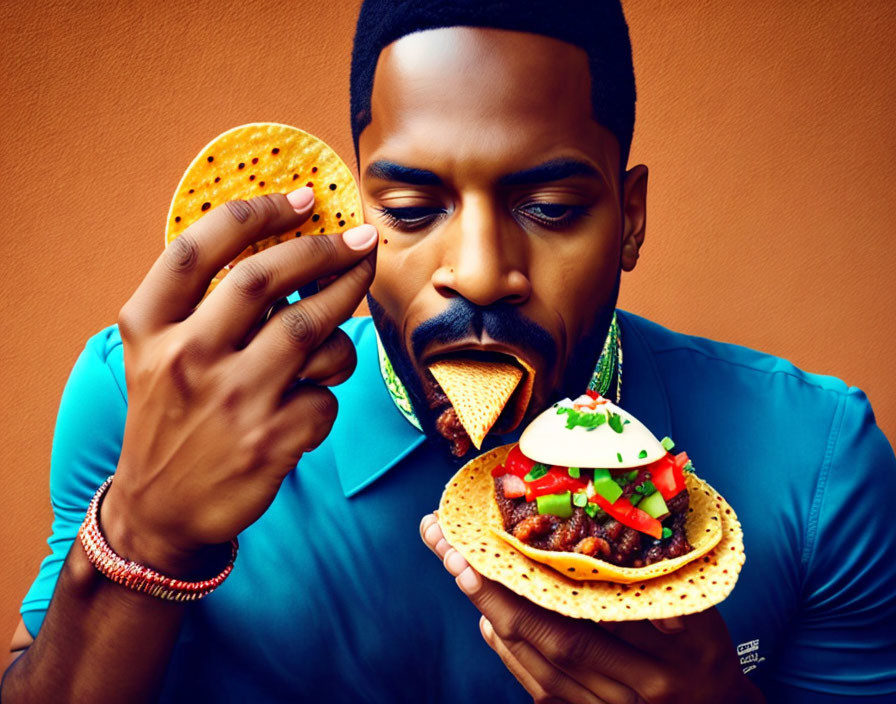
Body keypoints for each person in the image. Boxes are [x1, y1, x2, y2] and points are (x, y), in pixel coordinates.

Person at [4, 1, 896, 702]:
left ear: (631, 219)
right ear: (355, 215)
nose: (478, 273)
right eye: (410, 211)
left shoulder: (819, 464)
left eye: (549, 207)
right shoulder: (145, 403)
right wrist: (142, 537)